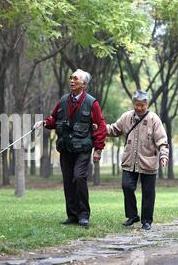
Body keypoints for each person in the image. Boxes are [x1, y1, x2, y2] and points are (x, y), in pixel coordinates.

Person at [34, 69, 107, 227]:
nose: (72, 81)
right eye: (71, 78)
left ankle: (84, 215)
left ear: (84, 84)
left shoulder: (92, 103)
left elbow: (100, 126)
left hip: (83, 149)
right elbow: (55, 118)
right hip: (66, 148)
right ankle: (72, 215)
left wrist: (98, 149)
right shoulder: (63, 100)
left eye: (75, 78)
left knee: (79, 177)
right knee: (68, 181)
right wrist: (44, 122)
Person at [105, 90, 169, 230]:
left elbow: (162, 141)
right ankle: (132, 215)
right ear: (133, 103)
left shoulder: (154, 119)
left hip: (148, 162)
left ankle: (146, 220)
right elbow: (114, 129)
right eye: (137, 104)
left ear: (147, 104)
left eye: (142, 105)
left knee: (148, 193)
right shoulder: (126, 117)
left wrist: (164, 155)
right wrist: (100, 128)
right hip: (129, 161)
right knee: (127, 186)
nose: (139, 108)